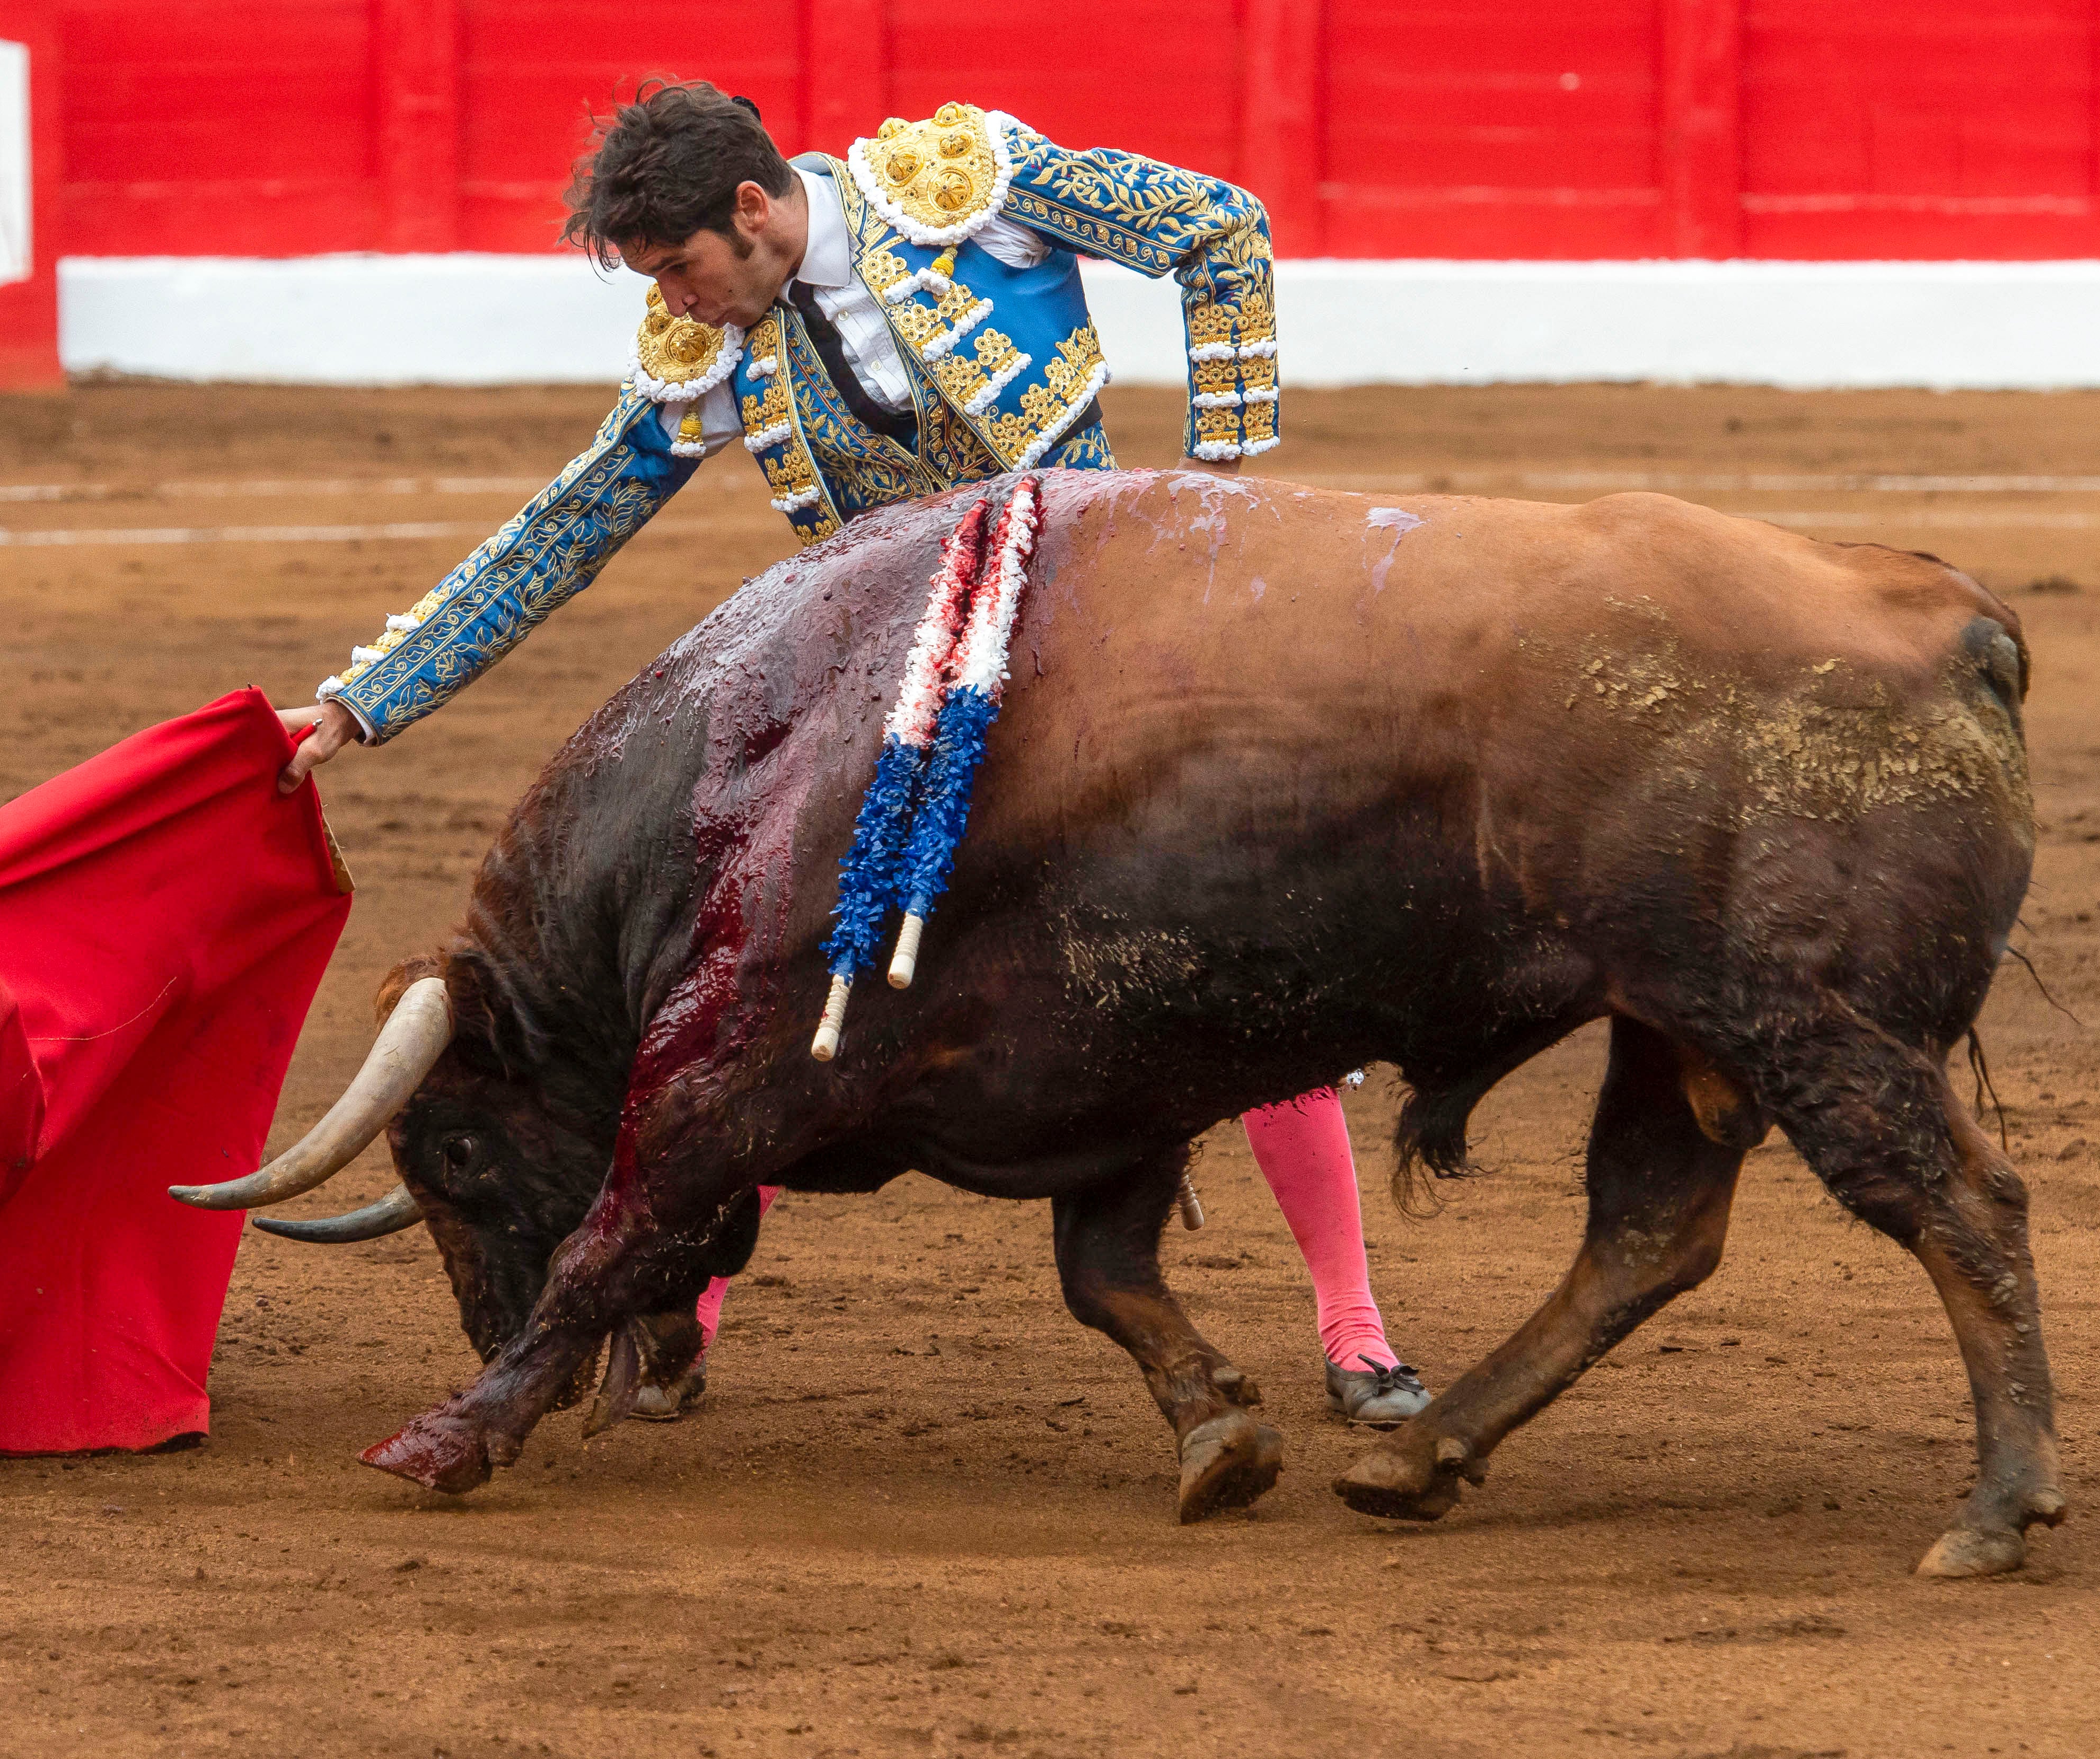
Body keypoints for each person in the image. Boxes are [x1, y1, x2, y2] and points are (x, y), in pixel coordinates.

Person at [270, 81, 1429, 1427]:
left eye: (683, 267)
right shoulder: (709, 345)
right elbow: (567, 525)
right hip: (904, 690)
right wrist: (365, 700)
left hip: (1107, 656)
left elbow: (1220, 230)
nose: (678, 303)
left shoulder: (966, 196)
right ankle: (686, 1313)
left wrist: (1212, 505)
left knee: (1234, 953)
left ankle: (1354, 1330)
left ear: (752, 209)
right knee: (774, 965)